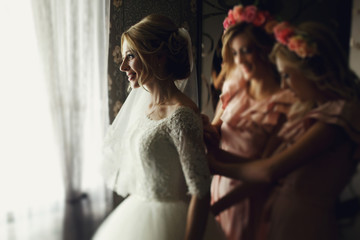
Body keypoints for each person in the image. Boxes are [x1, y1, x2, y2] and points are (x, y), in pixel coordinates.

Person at [206, 21, 360, 240]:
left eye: (287, 75)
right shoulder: (316, 113)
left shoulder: (337, 117)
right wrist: (213, 155)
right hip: (278, 219)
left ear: (312, 70)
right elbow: (260, 164)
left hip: (305, 224)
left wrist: (215, 165)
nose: (285, 87)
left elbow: (268, 171)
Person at [92, 14, 226, 240]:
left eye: (130, 56)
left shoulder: (181, 115)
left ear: (159, 57)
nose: (123, 66)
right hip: (138, 212)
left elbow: (201, 190)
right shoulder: (144, 108)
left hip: (171, 222)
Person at [207, 4, 296, 240]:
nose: (240, 60)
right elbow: (215, 131)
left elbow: (267, 170)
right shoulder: (233, 87)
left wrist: (216, 207)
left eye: (246, 51)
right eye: (235, 53)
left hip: (249, 200)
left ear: (265, 49)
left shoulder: (285, 103)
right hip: (218, 189)